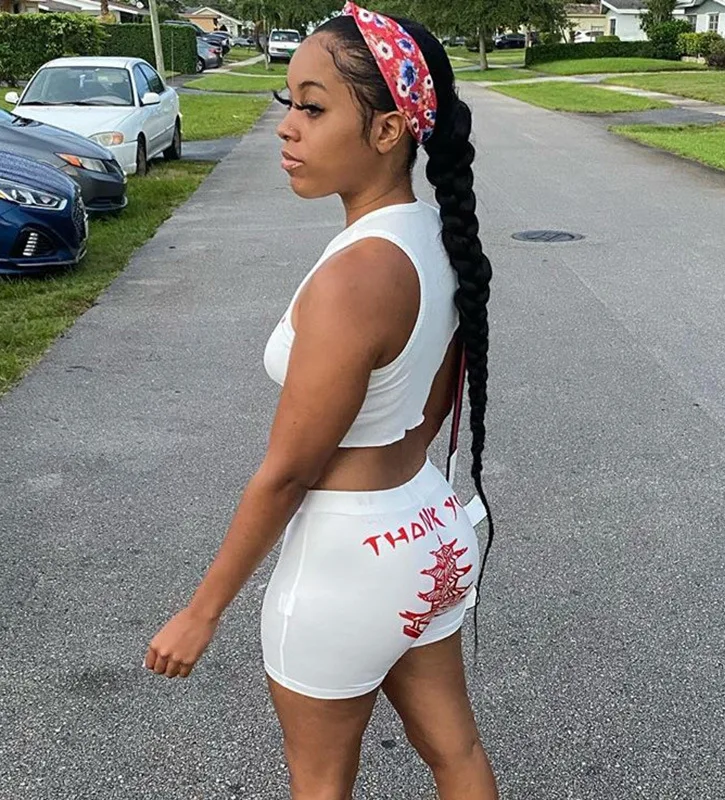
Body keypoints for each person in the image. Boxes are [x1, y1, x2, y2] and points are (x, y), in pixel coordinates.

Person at [144, 3, 497, 798]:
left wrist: (202, 611)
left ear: (388, 130)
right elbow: (428, 407)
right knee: (457, 753)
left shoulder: (355, 277)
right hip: (429, 530)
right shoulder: (439, 235)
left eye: (312, 107)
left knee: (320, 783)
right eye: (288, 102)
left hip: (347, 561)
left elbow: (288, 473)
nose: (287, 127)